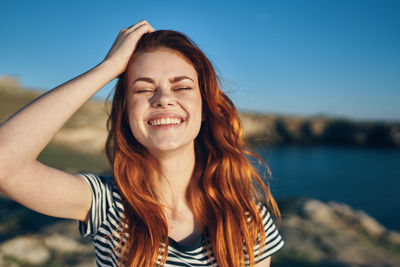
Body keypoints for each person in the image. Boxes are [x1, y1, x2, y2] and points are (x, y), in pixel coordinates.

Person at [0, 20, 284, 266]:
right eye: (144, 89)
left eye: (182, 87)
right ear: (126, 114)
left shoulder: (247, 219)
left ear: (206, 107)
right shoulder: (106, 203)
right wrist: (108, 67)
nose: (163, 98)